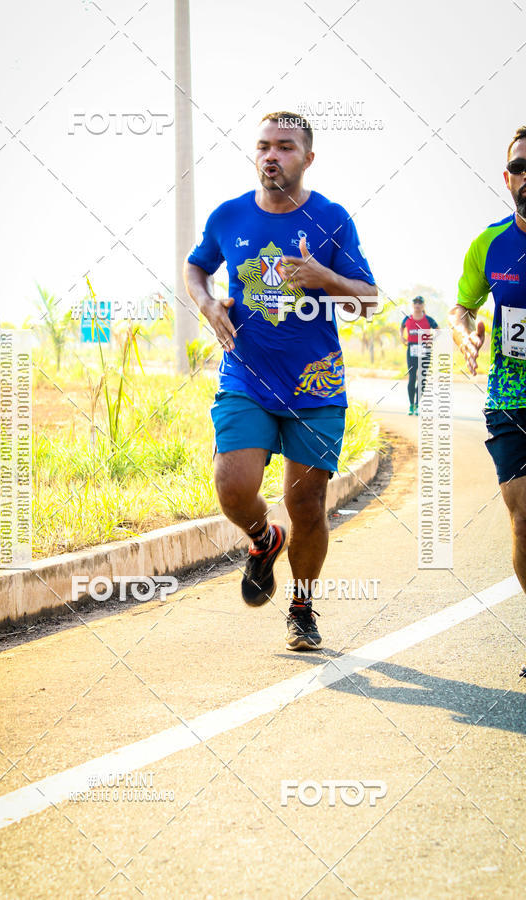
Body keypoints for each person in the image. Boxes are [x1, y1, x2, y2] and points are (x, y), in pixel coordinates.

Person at [184, 111, 377, 650]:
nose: (272, 155)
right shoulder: (229, 217)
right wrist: (205, 304)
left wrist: (325, 278)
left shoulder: (332, 219)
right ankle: (263, 539)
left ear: (307, 158)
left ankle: (302, 608)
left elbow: (367, 299)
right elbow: (195, 266)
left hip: (316, 386)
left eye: (286, 147)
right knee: (233, 487)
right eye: (264, 146)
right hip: (246, 375)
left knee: (308, 503)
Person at [449, 125, 526, 675]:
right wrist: (466, 331)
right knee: (523, 517)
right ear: (507, 179)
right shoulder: (490, 244)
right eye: (521, 167)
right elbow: (461, 306)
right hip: (512, 394)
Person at [400, 296, 438, 414]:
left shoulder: (429, 320)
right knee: (412, 377)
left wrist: (431, 339)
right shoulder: (407, 319)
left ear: (423, 305)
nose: (417, 305)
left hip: (425, 350)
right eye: (415, 302)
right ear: (412, 305)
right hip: (412, 349)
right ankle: (411, 405)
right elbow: (401, 327)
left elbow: (438, 330)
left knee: (422, 378)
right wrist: (402, 337)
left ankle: (417, 405)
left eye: (420, 303)